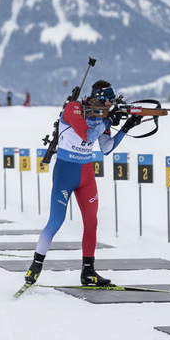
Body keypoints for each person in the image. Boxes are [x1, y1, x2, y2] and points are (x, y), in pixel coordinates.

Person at [24, 80, 141, 287]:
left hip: (86, 174)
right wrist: (107, 121)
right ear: (97, 100)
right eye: (107, 104)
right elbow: (86, 135)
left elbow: (105, 148)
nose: (109, 108)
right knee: (55, 222)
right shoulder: (74, 108)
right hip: (65, 172)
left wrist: (124, 128)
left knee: (92, 222)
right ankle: (36, 264)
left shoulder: (102, 116)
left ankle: (88, 271)